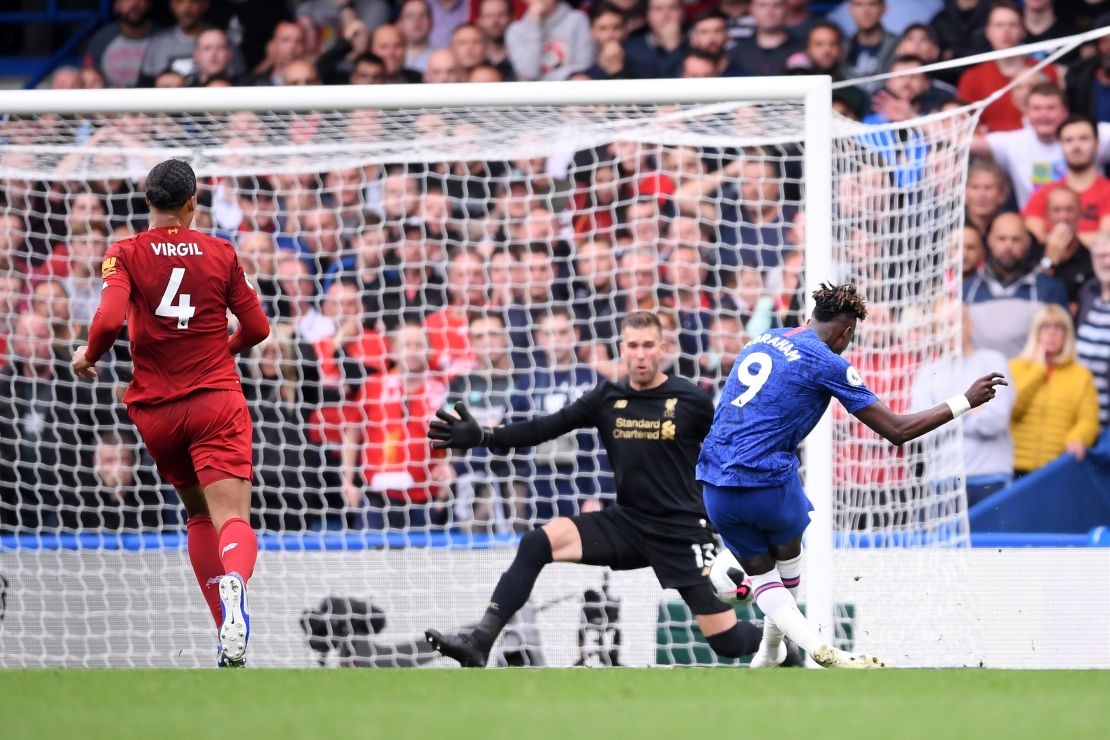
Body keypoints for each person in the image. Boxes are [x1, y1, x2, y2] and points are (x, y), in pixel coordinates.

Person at [424, 311, 783, 668]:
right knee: (536, 542)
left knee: (728, 641)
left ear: (662, 348)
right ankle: (479, 642)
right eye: (633, 346)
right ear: (621, 349)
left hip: (683, 531)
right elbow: (544, 428)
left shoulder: (691, 401)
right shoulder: (606, 397)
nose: (640, 354)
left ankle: (788, 647)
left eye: (647, 346)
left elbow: (726, 457)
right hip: (627, 522)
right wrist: (484, 436)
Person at [697, 283, 1006, 668]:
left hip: (714, 483)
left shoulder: (766, 337)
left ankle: (770, 651)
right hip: (767, 481)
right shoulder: (828, 361)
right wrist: (965, 400)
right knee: (788, 556)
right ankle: (818, 648)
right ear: (845, 333)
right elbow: (897, 430)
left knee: (763, 578)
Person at [71, 159, 270, 667]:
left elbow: (111, 318)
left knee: (197, 514)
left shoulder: (124, 252)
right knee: (231, 518)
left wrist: (87, 357)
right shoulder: (220, 252)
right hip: (215, 401)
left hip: (158, 412)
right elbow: (258, 327)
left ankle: (226, 635)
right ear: (192, 202)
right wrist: (225, 349)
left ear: (147, 203)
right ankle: (235, 593)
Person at [912, 304, 1016, 507]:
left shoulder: (993, 362)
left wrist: (942, 414)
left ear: (970, 325)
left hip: (989, 475)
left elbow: (995, 421)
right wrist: (972, 409)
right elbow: (921, 429)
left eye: (953, 323)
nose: (948, 331)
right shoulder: (927, 373)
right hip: (942, 477)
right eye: (941, 326)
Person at [1009, 304, 1100, 476]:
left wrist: (1077, 438)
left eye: (1059, 328)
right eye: (1045, 327)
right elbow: (1012, 410)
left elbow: (1088, 419)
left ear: (1067, 335)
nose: (1052, 333)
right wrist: (1038, 370)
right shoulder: (1016, 367)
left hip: (1057, 467)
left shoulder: (1081, 375)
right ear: (1035, 332)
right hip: (1015, 467)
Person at [1076, 233, 1110, 428]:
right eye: (1100, 256)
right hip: (1085, 412)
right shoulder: (1089, 293)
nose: (1106, 262)